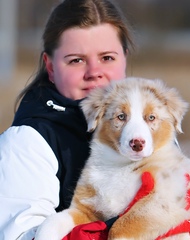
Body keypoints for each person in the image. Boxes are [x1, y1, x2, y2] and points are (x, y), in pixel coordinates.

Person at [0, 0, 134, 239]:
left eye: (107, 58)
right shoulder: (30, 141)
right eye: (76, 60)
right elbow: (18, 234)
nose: (94, 71)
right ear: (50, 67)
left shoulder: (146, 123)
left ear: (124, 59)